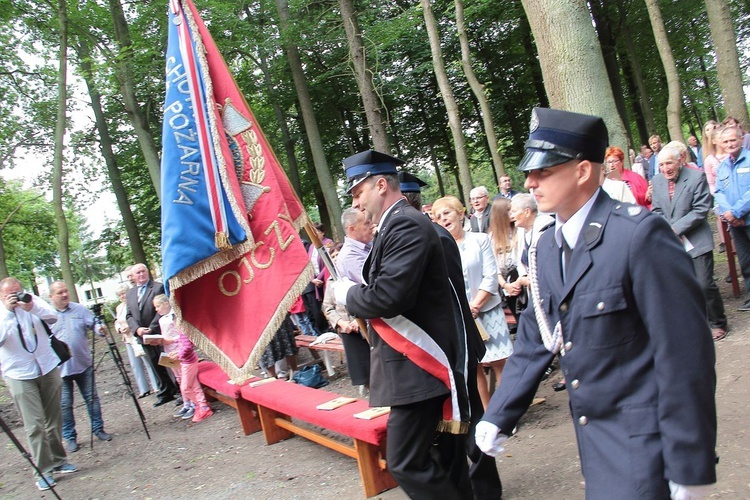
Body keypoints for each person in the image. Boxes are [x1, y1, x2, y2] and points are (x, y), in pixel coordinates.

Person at [476, 107, 717, 499]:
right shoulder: (547, 246)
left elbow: (685, 355)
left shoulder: (638, 236)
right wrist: (499, 412)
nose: (530, 183)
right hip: (594, 437)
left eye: (543, 172)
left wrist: (687, 460)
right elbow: (538, 337)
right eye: (529, 173)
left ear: (583, 171)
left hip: (646, 440)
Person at [333, 150, 471, 499]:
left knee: (405, 461)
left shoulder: (404, 223)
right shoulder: (393, 225)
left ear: (381, 185)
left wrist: (346, 292)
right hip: (414, 365)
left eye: (358, 191)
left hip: (419, 365)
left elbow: (388, 297)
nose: (356, 201)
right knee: (442, 456)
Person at [400, 170, 503, 500]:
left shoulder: (429, 237)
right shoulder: (431, 234)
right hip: (451, 346)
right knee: (458, 424)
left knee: (468, 421)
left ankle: (487, 488)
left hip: (453, 347)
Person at [432, 195, 513, 410]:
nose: (443, 218)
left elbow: (490, 275)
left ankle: (504, 413)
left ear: (460, 214)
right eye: (438, 217)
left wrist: (476, 304)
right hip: (461, 315)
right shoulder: (438, 249)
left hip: (488, 309)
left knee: (499, 363)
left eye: (447, 213)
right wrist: (464, 310)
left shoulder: (480, 239)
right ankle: (487, 414)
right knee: (474, 366)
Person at [1, 277, 77, 491]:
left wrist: (31, 307)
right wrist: (7, 312)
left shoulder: (31, 301)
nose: (16, 295)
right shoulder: (1, 313)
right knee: (34, 425)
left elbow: (52, 317)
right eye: (10, 293)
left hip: (46, 366)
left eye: (18, 291)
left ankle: (59, 460)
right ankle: (42, 470)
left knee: (54, 418)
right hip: (19, 373)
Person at [650, 146, 728, 341]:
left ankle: (718, 322)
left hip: (696, 239)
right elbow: (657, 210)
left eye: (669, 163)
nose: (665, 168)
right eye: (661, 164)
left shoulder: (696, 177)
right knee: (681, 286)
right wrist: (667, 230)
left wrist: (675, 229)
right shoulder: (657, 181)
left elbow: (701, 210)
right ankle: (694, 323)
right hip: (671, 243)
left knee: (703, 284)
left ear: (680, 161)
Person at [49, 281, 112, 453]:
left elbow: (95, 325)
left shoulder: (79, 309)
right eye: (60, 292)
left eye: (66, 291)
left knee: (92, 398)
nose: (64, 295)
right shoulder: (46, 315)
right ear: (51, 296)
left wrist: (101, 329)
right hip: (60, 369)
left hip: (83, 364)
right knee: (65, 404)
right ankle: (70, 437)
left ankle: (98, 429)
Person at [153, 295, 213, 423]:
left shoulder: (179, 322)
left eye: (158, 306)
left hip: (183, 356)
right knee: (181, 380)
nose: (156, 309)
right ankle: (192, 404)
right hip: (175, 354)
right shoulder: (166, 321)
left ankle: (199, 405)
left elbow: (185, 343)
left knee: (188, 384)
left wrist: (176, 349)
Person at [125, 263, 179, 406]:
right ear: (133, 276)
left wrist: (151, 327)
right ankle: (165, 391)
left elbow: (163, 309)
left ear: (147, 272)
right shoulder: (130, 293)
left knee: (168, 361)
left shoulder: (157, 287)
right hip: (142, 336)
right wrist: (137, 329)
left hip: (160, 332)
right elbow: (129, 315)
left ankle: (179, 389)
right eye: (138, 273)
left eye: (143, 272)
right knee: (154, 363)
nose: (141, 275)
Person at [714, 125, 750, 311]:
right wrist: (729, 214)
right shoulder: (722, 167)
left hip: (747, 218)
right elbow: (719, 192)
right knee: (745, 261)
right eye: (726, 141)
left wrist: (735, 212)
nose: (730, 144)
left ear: (741, 139)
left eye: (733, 140)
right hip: (735, 224)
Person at [114, 283, 159, 399]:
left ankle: (156, 386)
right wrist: (119, 328)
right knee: (135, 365)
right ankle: (143, 389)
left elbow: (134, 319)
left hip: (135, 336)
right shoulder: (119, 307)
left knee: (147, 361)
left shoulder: (133, 304)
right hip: (127, 339)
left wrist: (130, 327)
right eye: (120, 295)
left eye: (124, 293)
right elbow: (117, 321)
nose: (122, 296)